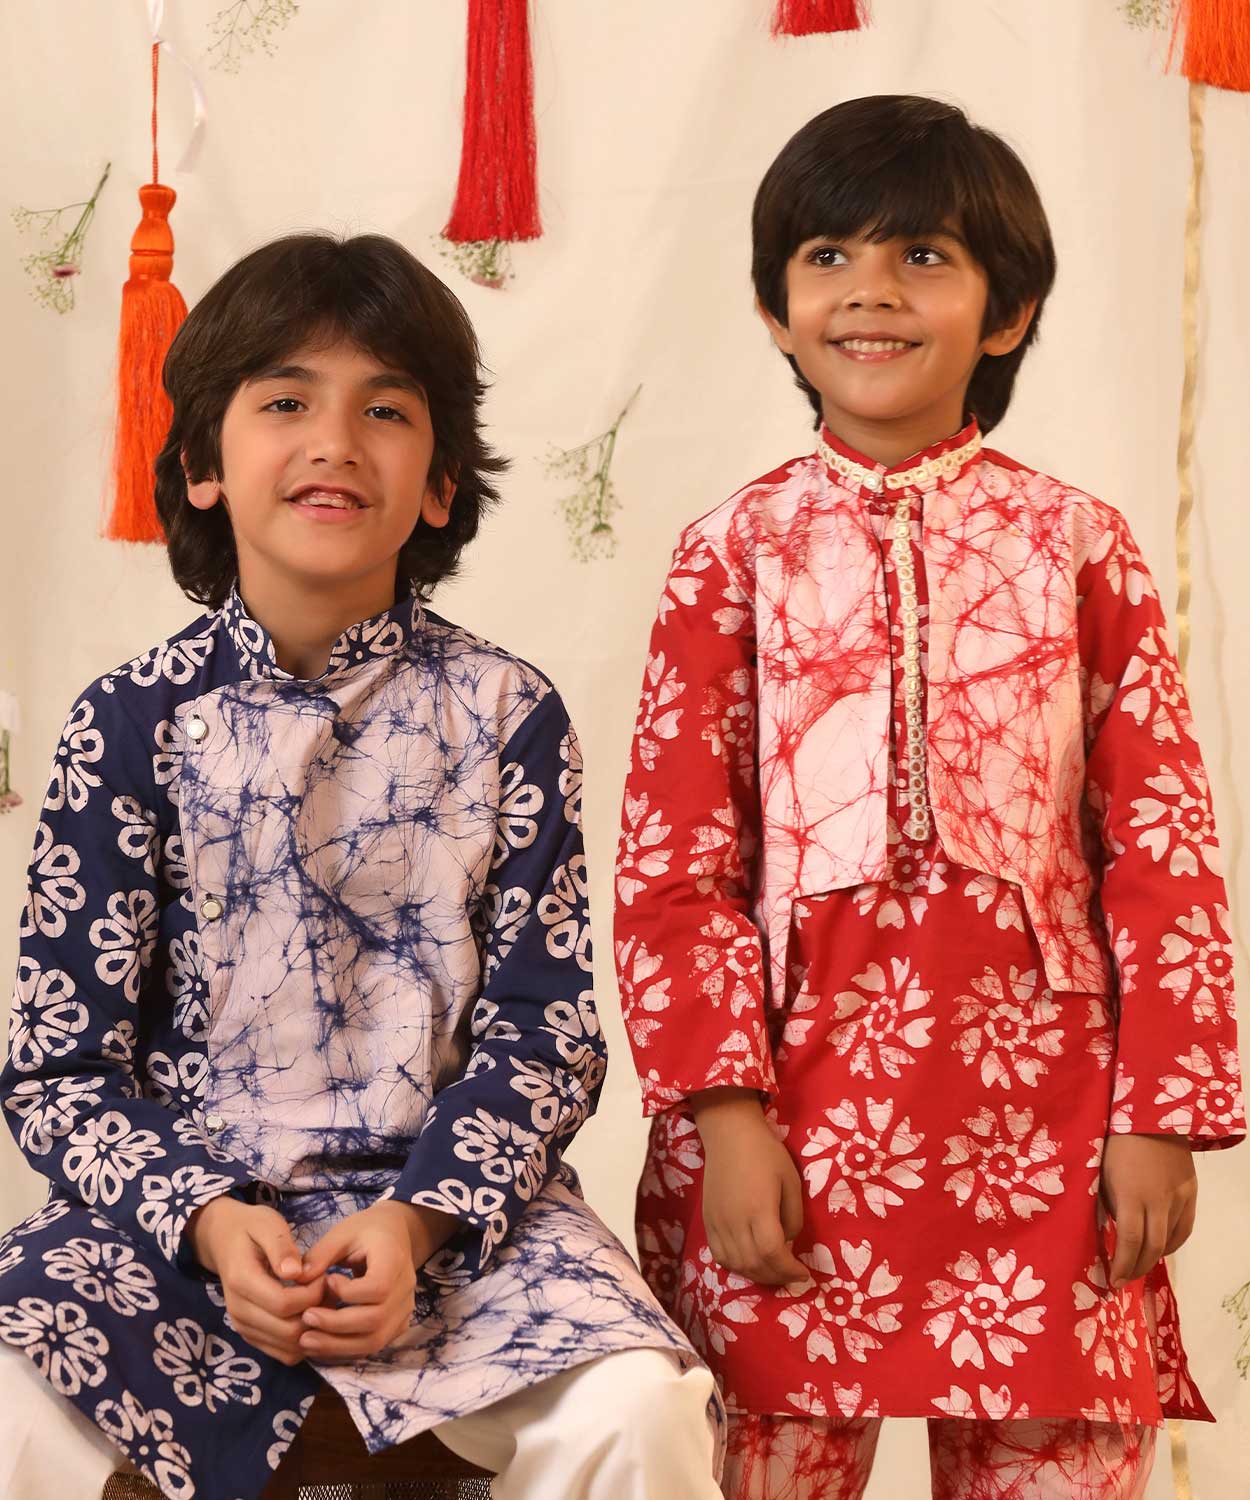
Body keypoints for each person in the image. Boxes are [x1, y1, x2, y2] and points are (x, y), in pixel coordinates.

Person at [0, 233, 724, 1500]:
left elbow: (545, 1038)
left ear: (439, 484)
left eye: (384, 410)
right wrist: (209, 1220)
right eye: (285, 403)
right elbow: (59, 1072)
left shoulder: (507, 712)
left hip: (461, 1230)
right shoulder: (128, 722)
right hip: (176, 1231)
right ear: (201, 465)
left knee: (637, 1412)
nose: (334, 441)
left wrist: (417, 1218)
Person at [614, 95, 1243, 1500]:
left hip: (1054, 1125)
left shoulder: (1079, 544)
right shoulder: (729, 552)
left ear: (1005, 312)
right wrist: (724, 1119)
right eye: (827, 256)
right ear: (774, 311)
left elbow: (1161, 850)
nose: (871, 291)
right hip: (783, 1123)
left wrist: (1155, 1115)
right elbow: (672, 865)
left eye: (922, 256)